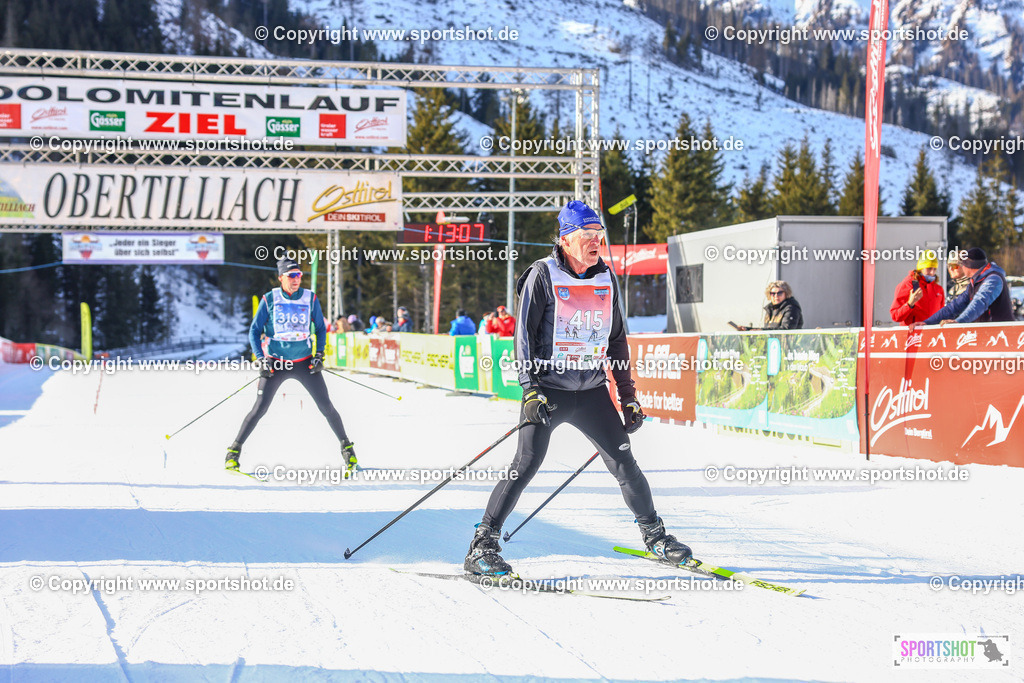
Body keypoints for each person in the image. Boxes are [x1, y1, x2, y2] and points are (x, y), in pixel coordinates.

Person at [463, 199, 691, 577]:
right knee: (526, 463)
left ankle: (656, 538)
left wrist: (628, 395)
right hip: (548, 390)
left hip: (590, 391)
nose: (595, 241)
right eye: (587, 235)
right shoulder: (543, 274)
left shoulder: (606, 278)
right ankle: (481, 545)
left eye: (599, 234)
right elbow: (524, 338)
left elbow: (616, 339)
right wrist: (530, 388)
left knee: (624, 462)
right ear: (566, 239)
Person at [225, 257, 357, 476]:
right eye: (292, 275)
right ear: (281, 278)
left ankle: (348, 449)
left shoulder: (310, 298)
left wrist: (319, 354)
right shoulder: (270, 299)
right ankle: (233, 453)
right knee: (259, 408)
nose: (297, 279)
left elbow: (321, 328)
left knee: (326, 407)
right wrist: (261, 358)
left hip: (304, 363)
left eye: (299, 275)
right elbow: (254, 331)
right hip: (276, 363)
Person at [923, 247, 1014, 325]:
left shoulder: (993, 279)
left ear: (968, 266)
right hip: (987, 335)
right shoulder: (974, 282)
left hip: (1002, 336)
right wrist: (927, 322)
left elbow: (979, 303)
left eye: (961, 265)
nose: (961, 268)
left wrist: (959, 322)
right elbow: (954, 306)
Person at [890, 252, 945, 325]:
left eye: (935, 269)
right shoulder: (909, 284)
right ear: (921, 268)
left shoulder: (938, 289)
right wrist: (910, 304)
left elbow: (942, 315)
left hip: (932, 334)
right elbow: (895, 315)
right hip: (913, 334)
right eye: (929, 268)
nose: (932, 272)